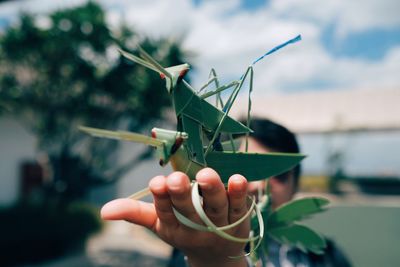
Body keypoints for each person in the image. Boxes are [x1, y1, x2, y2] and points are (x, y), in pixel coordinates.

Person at [101, 118, 351, 267]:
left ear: (296, 184)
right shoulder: (191, 250)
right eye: (245, 168)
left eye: (279, 173)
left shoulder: (327, 256)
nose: (259, 184)